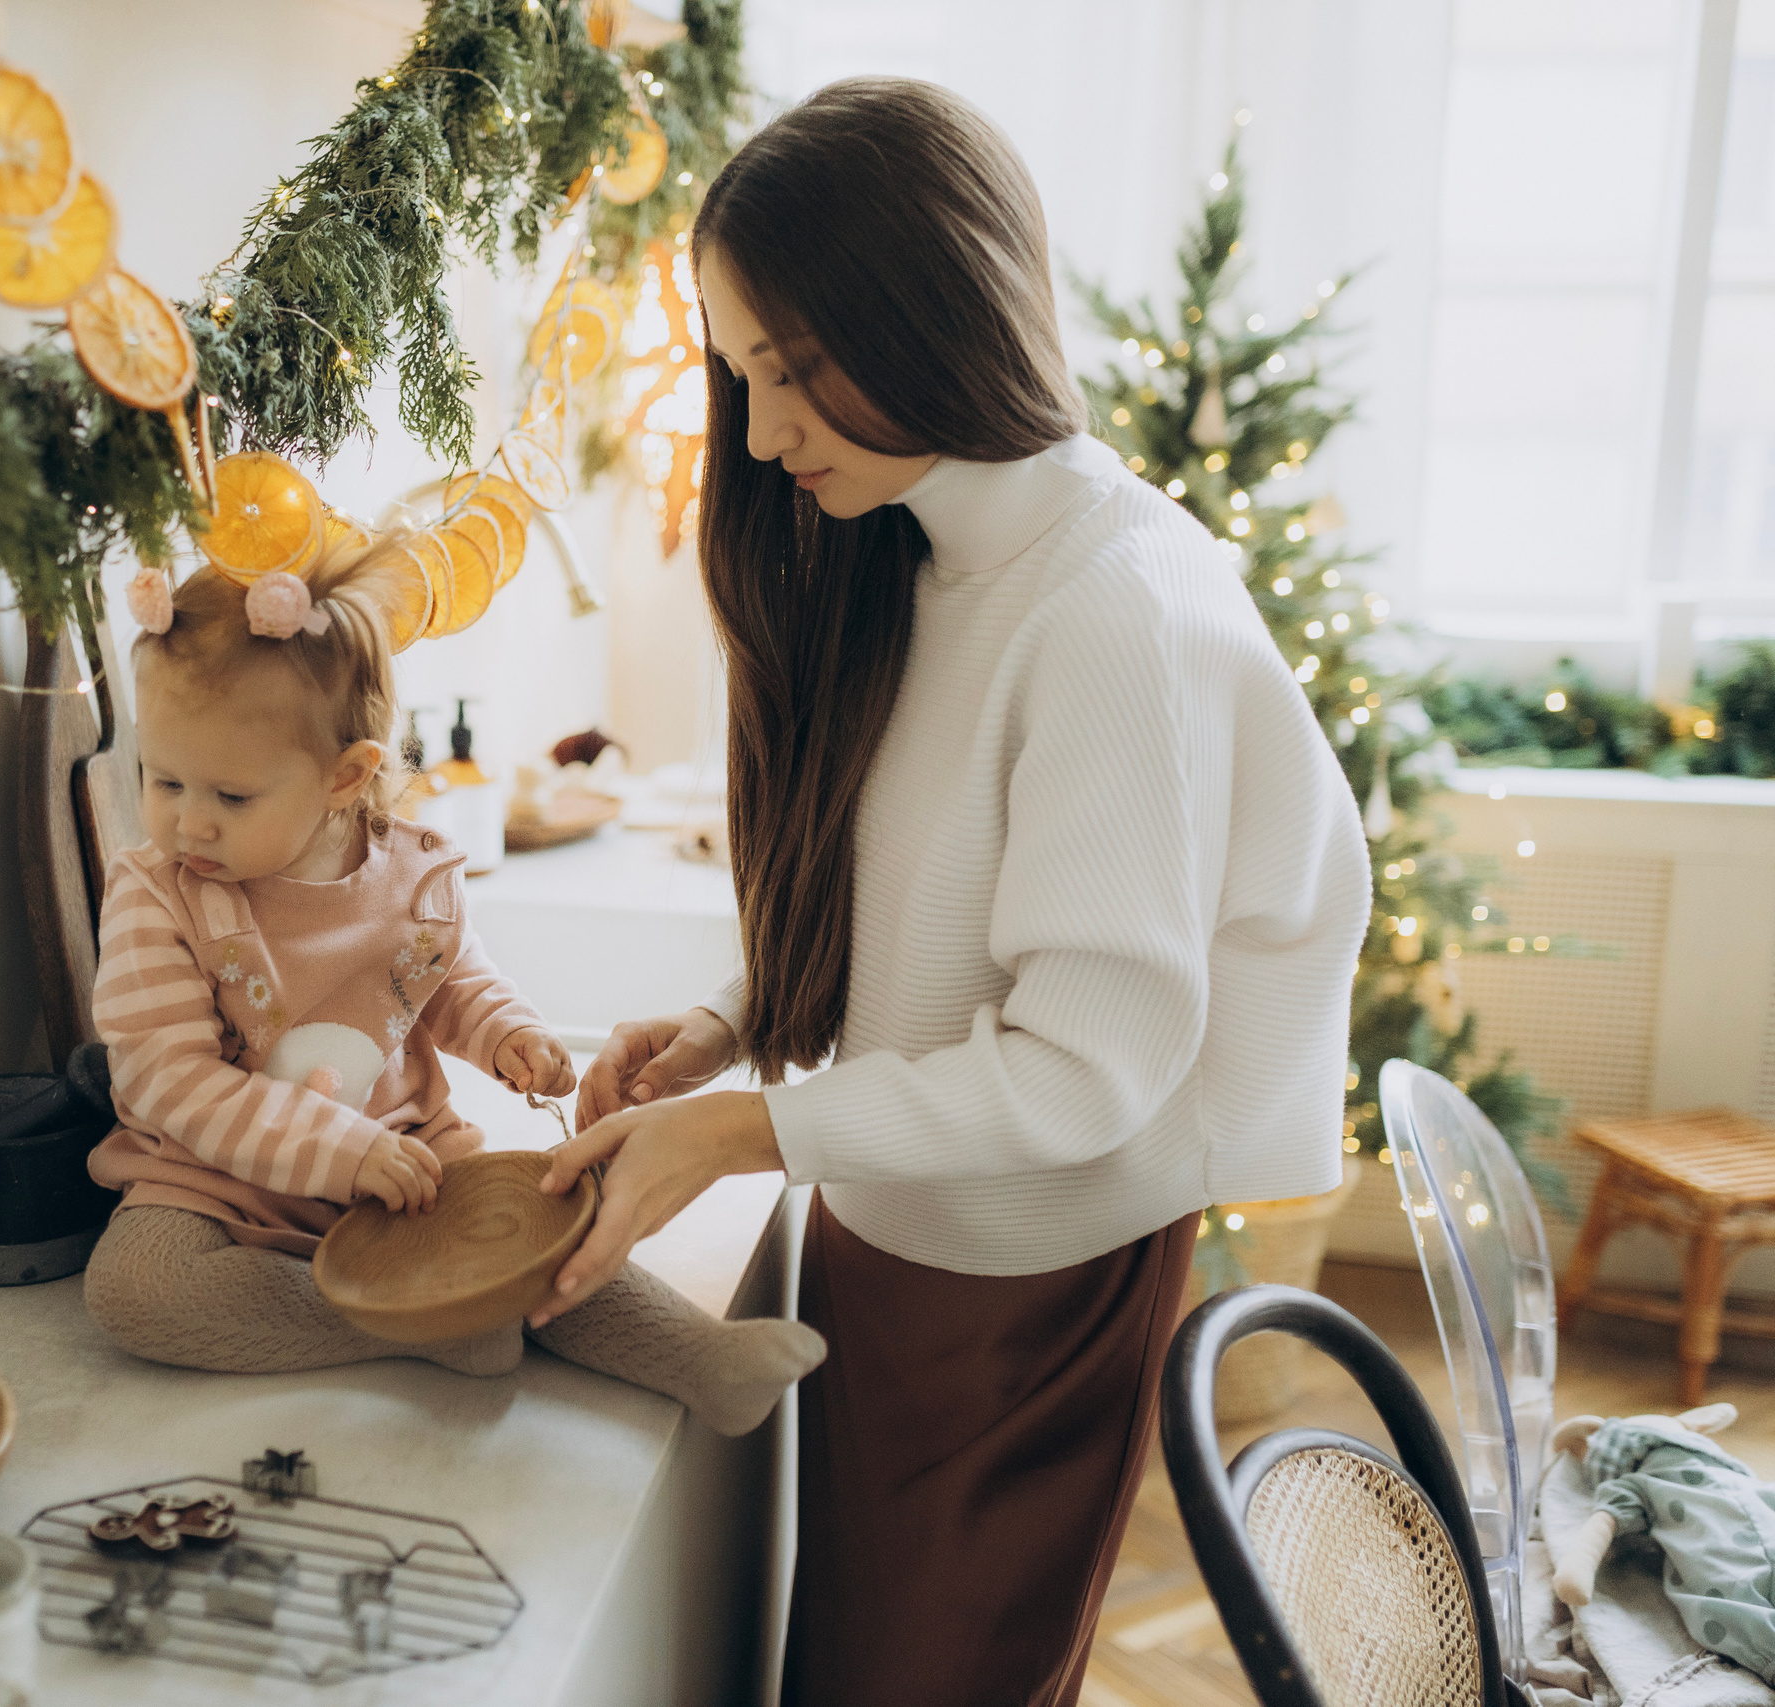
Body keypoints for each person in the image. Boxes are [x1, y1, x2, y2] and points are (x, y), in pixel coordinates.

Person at [534, 78, 1372, 1704]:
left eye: (794, 368)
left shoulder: (1116, 610)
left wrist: (742, 1133)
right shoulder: (917, 556)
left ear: (933, 304)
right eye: (743, 374)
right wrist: (731, 1025)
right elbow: (918, 879)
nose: (763, 434)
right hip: (892, 1232)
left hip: (1029, 1282)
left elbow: (1083, 1068)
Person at [78, 540, 826, 1438]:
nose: (186, 821)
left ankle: (704, 1358)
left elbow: (451, 981)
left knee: (541, 1230)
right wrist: (338, 1149)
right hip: (217, 1181)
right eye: (162, 780)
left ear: (345, 777)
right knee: (135, 1286)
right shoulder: (154, 894)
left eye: (230, 796)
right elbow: (171, 1081)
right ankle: (412, 1327)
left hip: (406, 1166)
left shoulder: (411, 875)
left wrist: (508, 1032)